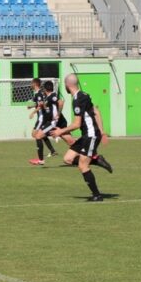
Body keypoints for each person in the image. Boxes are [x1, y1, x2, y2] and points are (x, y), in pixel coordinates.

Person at [50, 74, 113, 202]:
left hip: (91, 135)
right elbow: (96, 111)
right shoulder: (84, 94)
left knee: (83, 166)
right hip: (87, 135)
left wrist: (60, 131)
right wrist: (102, 132)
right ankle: (97, 160)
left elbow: (76, 124)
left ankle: (97, 195)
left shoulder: (77, 100)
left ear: (67, 86)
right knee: (68, 159)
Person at [29, 79, 60, 165]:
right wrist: (33, 106)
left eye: (31, 83)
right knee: (38, 135)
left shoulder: (51, 96)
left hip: (44, 119)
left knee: (36, 135)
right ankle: (51, 150)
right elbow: (43, 105)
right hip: (48, 120)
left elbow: (60, 102)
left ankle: (41, 159)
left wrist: (33, 112)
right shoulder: (47, 96)